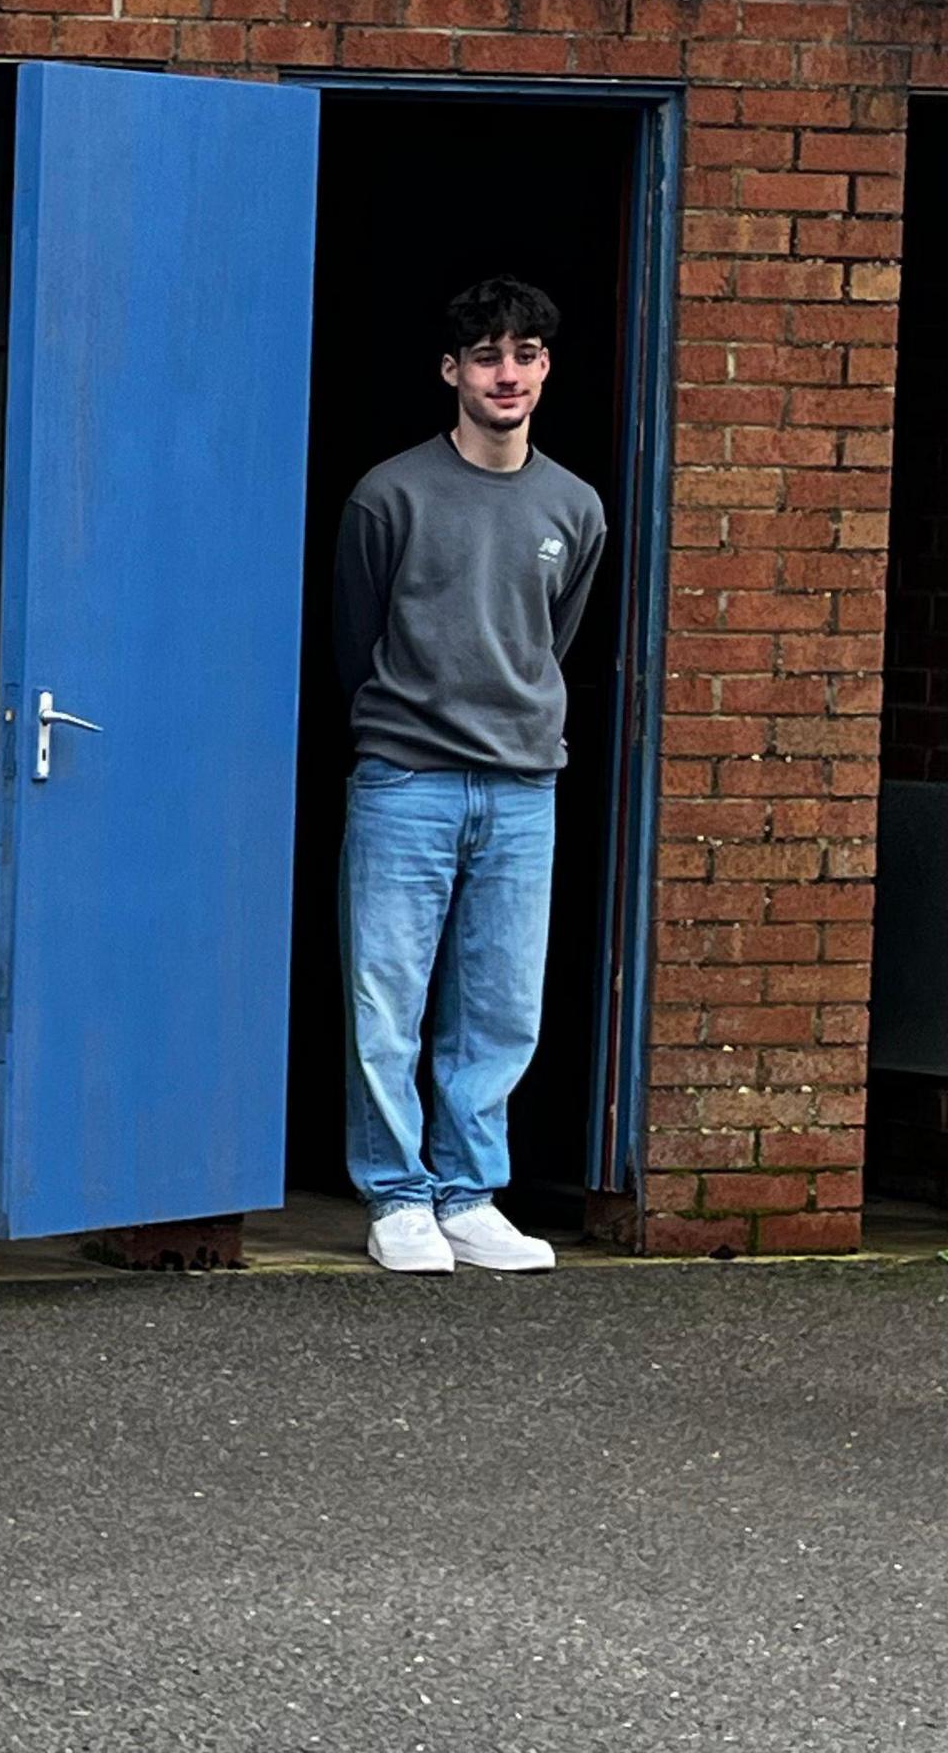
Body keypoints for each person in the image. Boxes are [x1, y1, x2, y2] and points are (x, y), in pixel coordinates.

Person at [332, 275, 608, 1276]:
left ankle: (469, 1192)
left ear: (545, 369)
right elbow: (355, 640)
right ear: (451, 370)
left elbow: (551, 638)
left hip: (525, 785)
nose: (508, 373)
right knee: (387, 1000)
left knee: (498, 1007)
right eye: (488, 355)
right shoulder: (390, 493)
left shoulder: (574, 506)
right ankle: (398, 1196)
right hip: (407, 777)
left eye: (526, 354)